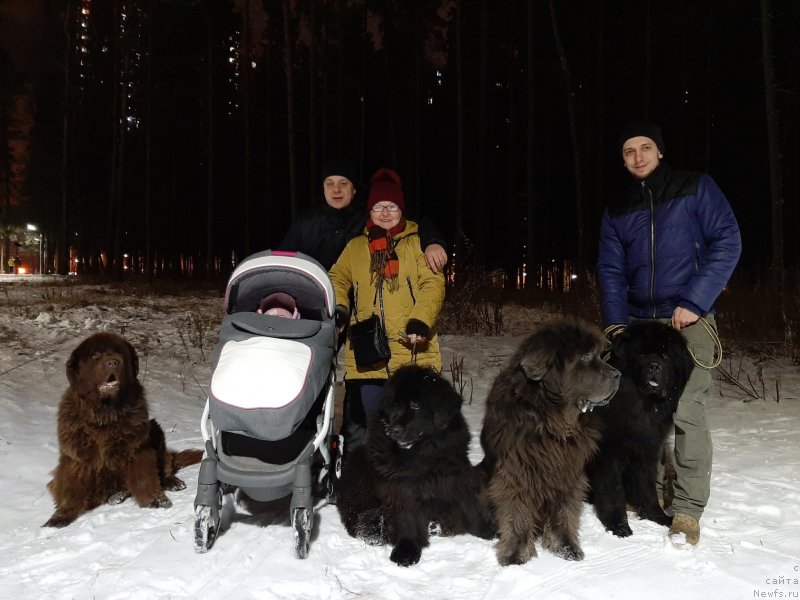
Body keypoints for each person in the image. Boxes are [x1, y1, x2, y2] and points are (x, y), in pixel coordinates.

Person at [597, 121, 741, 545]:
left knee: (686, 412)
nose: (637, 156)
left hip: (690, 320)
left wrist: (695, 301)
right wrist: (616, 322)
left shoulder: (695, 187)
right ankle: (646, 495)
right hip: (640, 325)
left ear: (660, 151)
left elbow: (727, 240)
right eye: (628, 151)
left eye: (645, 147)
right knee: (638, 413)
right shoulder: (618, 205)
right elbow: (610, 269)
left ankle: (687, 510)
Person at [329, 168, 445, 451]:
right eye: (378, 207)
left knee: (412, 428)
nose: (384, 213)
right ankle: (363, 483)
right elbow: (337, 278)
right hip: (368, 353)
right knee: (369, 424)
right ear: (370, 211)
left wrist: (420, 321)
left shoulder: (419, 244)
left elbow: (433, 284)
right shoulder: (357, 246)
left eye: (391, 207)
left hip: (412, 347)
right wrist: (340, 308)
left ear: (401, 210)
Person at [277, 159, 449, 273]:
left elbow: (414, 223)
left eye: (343, 184)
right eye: (330, 184)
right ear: (323, 188)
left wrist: (432, 243)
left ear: (354, 189)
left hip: (357, 313)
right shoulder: (304, 224)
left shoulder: (368, 216)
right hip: (313, 304)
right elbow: (281, 262)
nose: (336, 190)